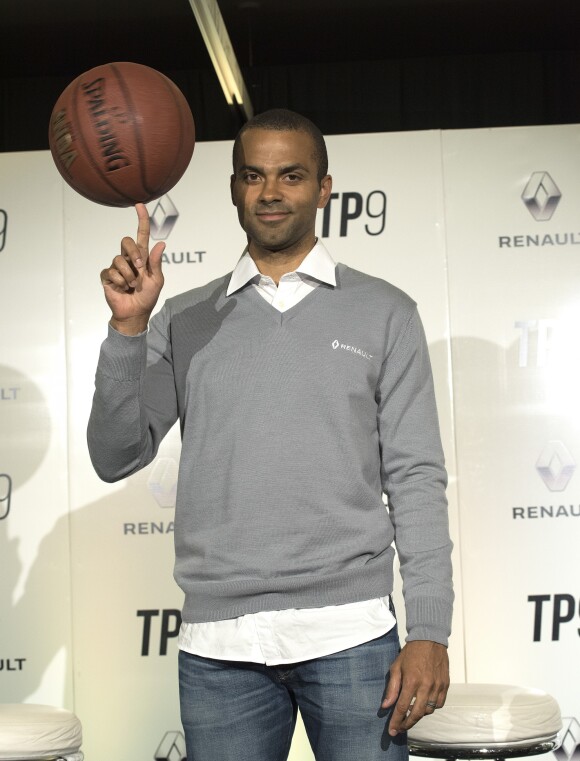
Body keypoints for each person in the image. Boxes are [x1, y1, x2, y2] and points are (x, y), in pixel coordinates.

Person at [88, 108, 453, 761]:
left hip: (352, 635)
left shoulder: (385, 311)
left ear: (324, 187)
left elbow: (416, 478)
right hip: (218, 649)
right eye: (253, 175)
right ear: (233, 188)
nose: (271, 191)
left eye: (291, 175)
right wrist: (128, 330)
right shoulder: (183, 317)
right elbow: (114, 454)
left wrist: (428, 628)